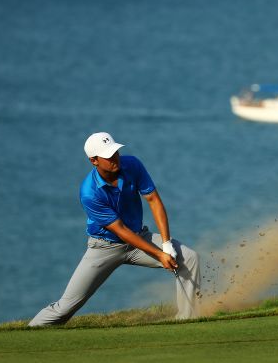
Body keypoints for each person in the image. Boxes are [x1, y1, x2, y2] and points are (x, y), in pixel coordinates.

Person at [29, 132, 200, 326]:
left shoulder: (132, 165)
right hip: (104, 247)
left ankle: (187, 321)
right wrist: (160, 255)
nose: (115, 158)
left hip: (139, 237)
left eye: (115, 152)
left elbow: (153, 200)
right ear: (94, 160)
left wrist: (167, 244)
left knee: (189, 258)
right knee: (66, 307)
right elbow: (120, 230)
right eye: (108, 156)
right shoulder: (89, 193)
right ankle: (29, 332)